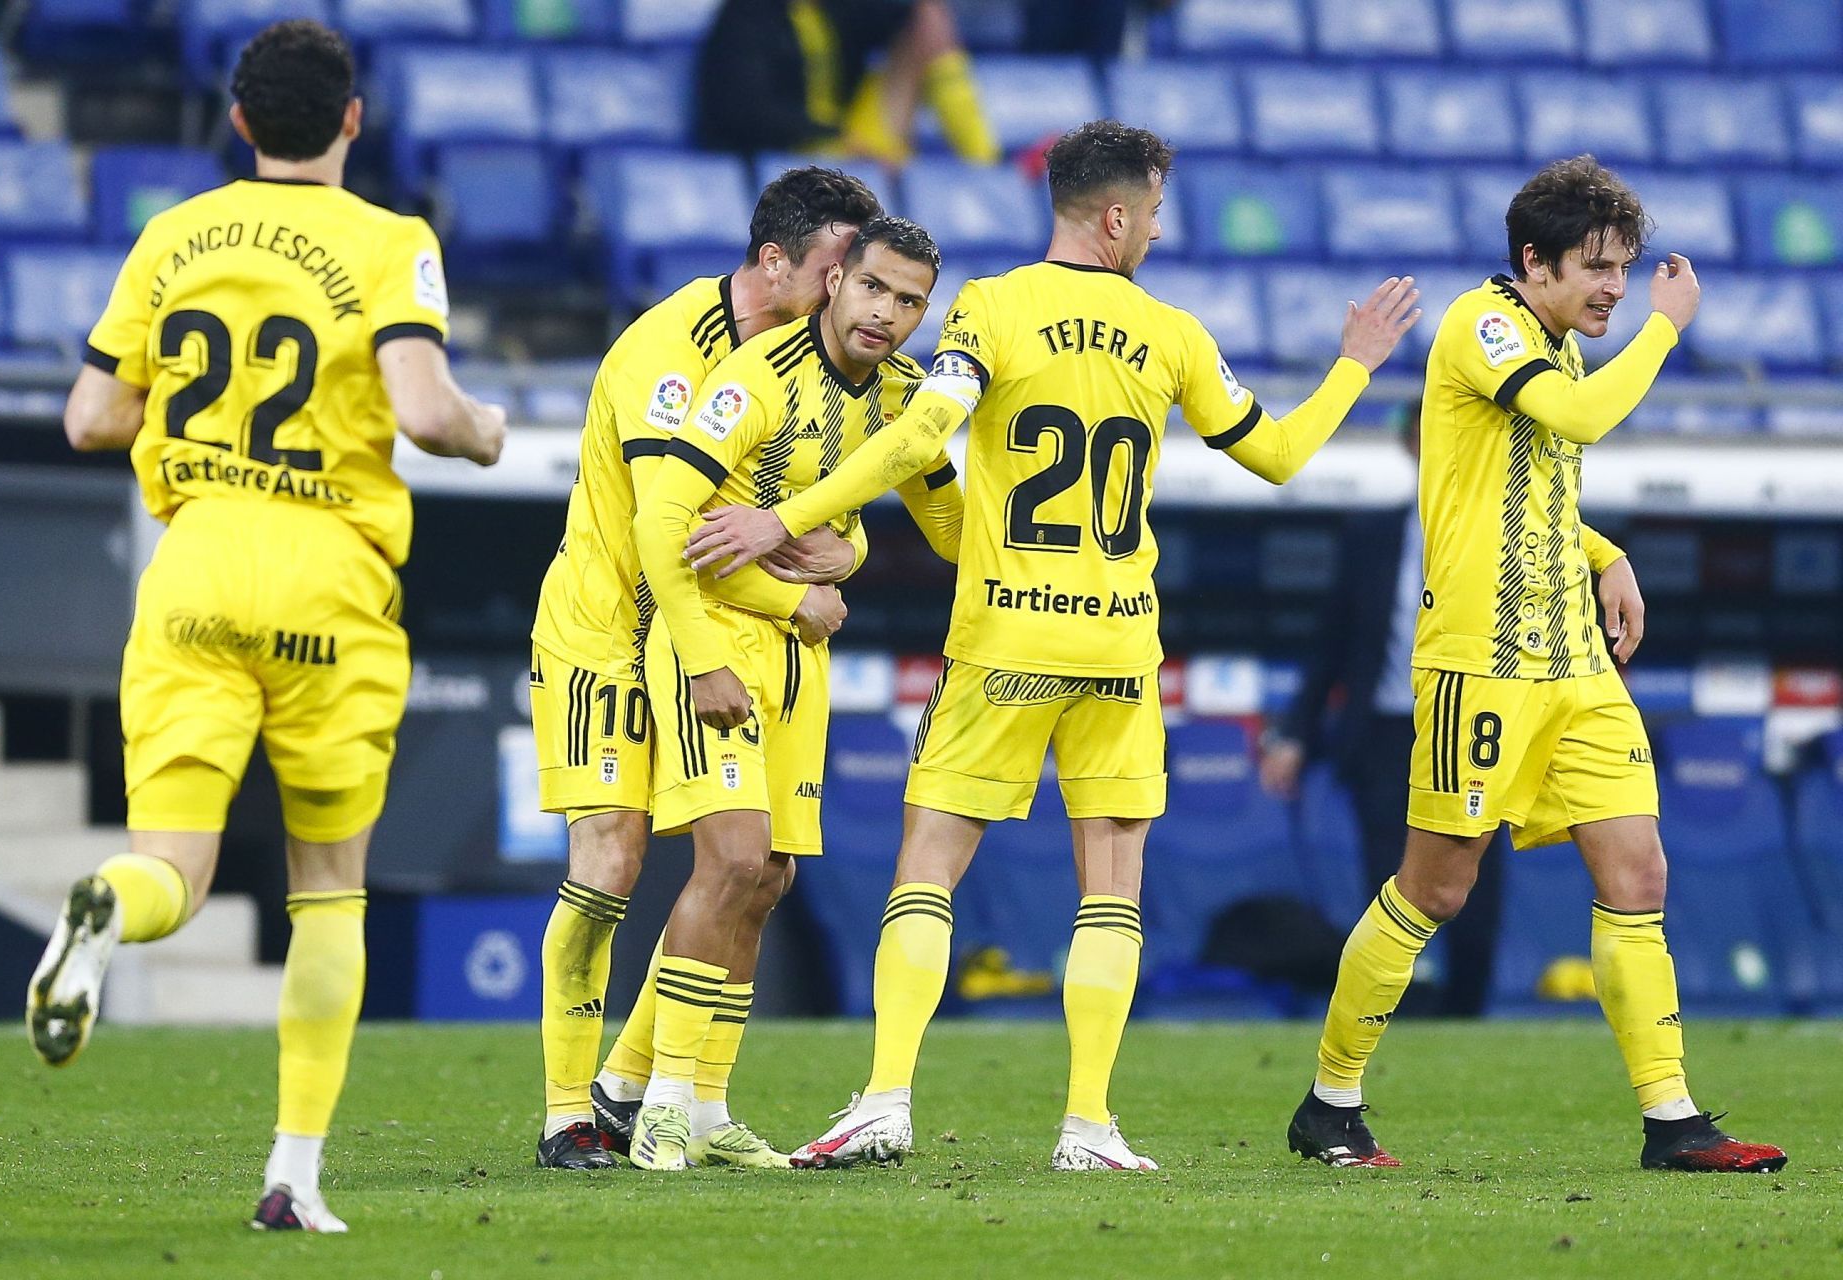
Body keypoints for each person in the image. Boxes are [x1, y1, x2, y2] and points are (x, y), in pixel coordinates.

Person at [682, 119, 1419, 1172]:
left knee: (930, 867)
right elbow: (1282, 455)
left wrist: (779, 513)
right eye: (1155, 213)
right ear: (1116, 215)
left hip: (1005, 641)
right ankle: (1088, 1123)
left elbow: (914, 438)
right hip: (1120, 649)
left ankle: (886, 1094)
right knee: (1111, 886)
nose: (1159, 233)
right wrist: (1354, 366)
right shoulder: (1173, 334)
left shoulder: (991, 309)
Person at [25, 20, 506, 1232]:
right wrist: (486, 428)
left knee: (172, 869)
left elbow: (90, 415)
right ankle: (293, 1173)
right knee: (329, 891)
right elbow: (424, 409)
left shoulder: (173, 233)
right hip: (328, 572)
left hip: (194, 560)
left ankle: (106, 902)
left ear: (238, 123)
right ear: (352, 120)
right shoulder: (393, 241)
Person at [1285, 155, 1787, 1174]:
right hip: (1484, 662)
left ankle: (1674, 1119)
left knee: (1638, 869)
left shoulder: (1554, 339)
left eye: (1626, 268)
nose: (1613, 285)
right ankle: (1329, 1101)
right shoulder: (1487, 325)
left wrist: (1608, 551)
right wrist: (1665, 326)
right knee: (1435, 888)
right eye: (1597, 267)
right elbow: (1582, 421)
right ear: (1534, 261)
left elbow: (1529, 479)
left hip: (1576, 664)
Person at [527, 167, 883, 1170]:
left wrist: (844, 556)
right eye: (832, 268)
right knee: (609, 862)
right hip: (609, 630)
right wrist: (797, 597)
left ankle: (632, 1085)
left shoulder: (808, 363)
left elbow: (831, 513)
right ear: (775, 261)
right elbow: (662, 531)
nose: (844, 290)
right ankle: (565, 1114)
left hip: (710, 632)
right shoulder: (667, 355)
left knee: (748, 872)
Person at [626, 216, 962, 1170]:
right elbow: (665, 527)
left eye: (910, 301)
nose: (888, 314)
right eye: (874, 289)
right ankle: (656, 1101)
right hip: (715, 642)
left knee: (768, 878)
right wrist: (705, 658)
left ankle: (704, 1108)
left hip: (798, 657)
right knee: (729, 861)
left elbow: (949, 527)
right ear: (834, 283)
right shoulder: (755, 379)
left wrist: (853, 548)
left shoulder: (900, 403)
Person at [1261, 402, 1640, 1018]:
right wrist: (1294, 733)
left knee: (1474, 872)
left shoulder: (1512, 527)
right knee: (1389, 875)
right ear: (1412, 444)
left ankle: (1467, 1010)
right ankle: (1381, 1014)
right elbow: (1332, 644)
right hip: (1388, 726)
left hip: (1478, 714)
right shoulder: (1370, 535)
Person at [695, 0, 997, 166]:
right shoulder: (746, 15)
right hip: (790, 148)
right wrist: (834, 135)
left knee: (928, 15)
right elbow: (745, 110)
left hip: (846, 139)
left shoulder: (835, 9)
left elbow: (910, 19)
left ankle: (984, 163)